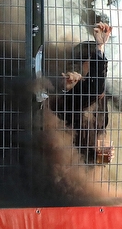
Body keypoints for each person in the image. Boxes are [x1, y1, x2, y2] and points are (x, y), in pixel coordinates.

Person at [47, 23, 114, 164]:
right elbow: (92, 89)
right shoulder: (73, 90)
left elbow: (100, 132)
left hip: (84, 169)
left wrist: (101, 153)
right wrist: (99, 47)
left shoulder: (101, 97)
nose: (92, 65)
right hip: (64, 166)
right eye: (91, 61)